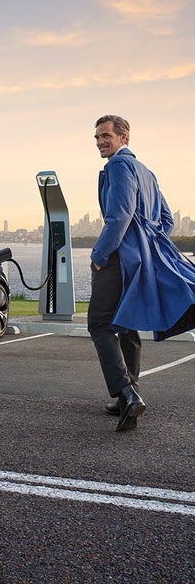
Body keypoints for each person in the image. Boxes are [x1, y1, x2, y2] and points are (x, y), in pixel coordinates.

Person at [88, 115, 195, 432]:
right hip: (139, 260)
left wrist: (98, 255)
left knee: (98, 323)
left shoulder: (119, 167)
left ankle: (127, 392)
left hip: (118, 258)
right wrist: (146, 241)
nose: (100, 142)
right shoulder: (146, 171)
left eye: (106, 136)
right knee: (127, 324)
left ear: (123, 138)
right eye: (96, 137)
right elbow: (165, 219)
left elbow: (118, 217)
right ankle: (126, 399)